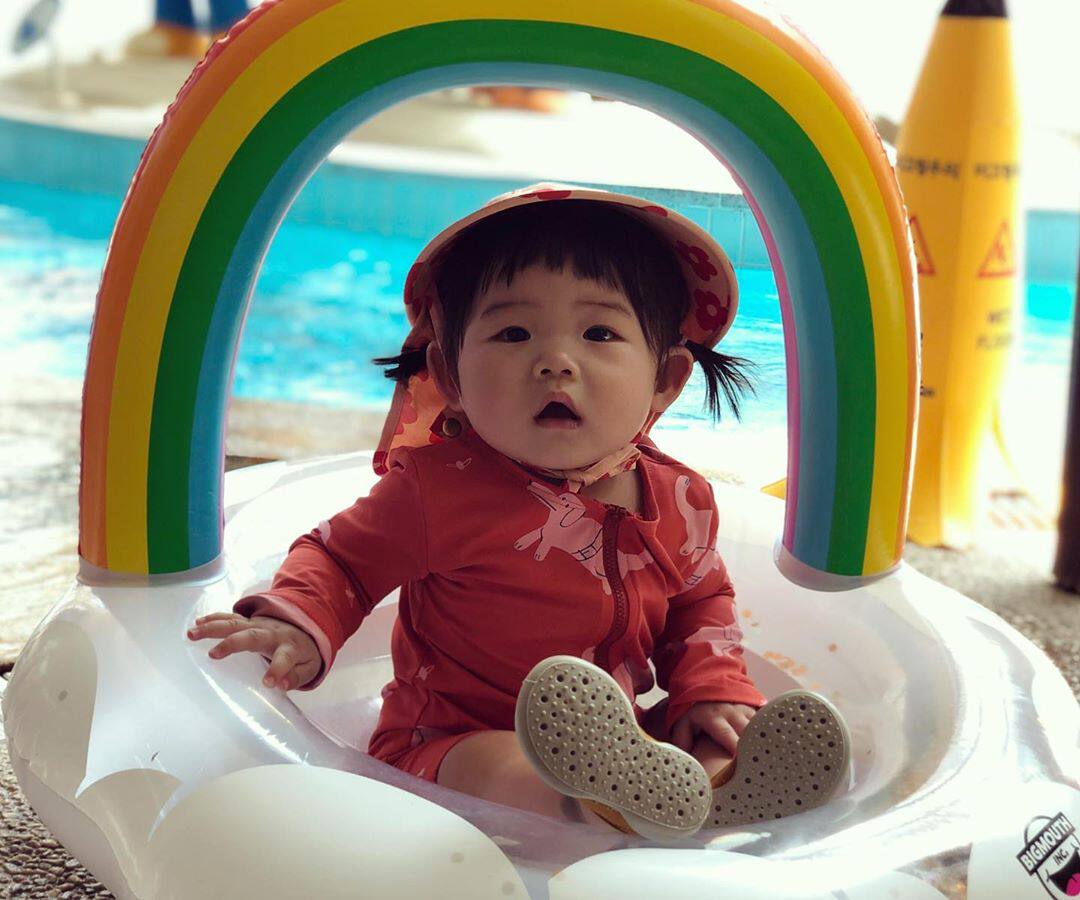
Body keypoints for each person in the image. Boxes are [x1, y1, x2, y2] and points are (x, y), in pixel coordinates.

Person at [188, 183, 850, 840]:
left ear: (666, 379)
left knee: (703, 732)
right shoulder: (438, 491)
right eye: (513, 332)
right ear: (450, 375)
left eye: (598, 332)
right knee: (501, 764)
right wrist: (298, 625)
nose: (555, 362)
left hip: (622, 742)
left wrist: (713, 690)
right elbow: (339, 558)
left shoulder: (681, 499)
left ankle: (717, 785)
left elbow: (701, 604)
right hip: (449, 743)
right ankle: (613, 808)